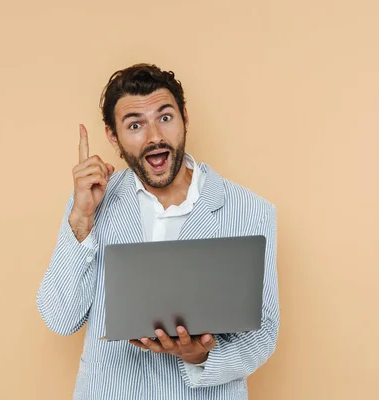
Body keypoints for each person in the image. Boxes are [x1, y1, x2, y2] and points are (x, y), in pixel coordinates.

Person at [36, 63, 279, 399]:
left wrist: (201, 356)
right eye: (135, 125)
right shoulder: (91, 202)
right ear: (112, 136)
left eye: (165, 118)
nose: (154, 137)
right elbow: (60, 318)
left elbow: (262, 334)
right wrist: (80, 220)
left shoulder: (251, 212)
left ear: (185, 119)